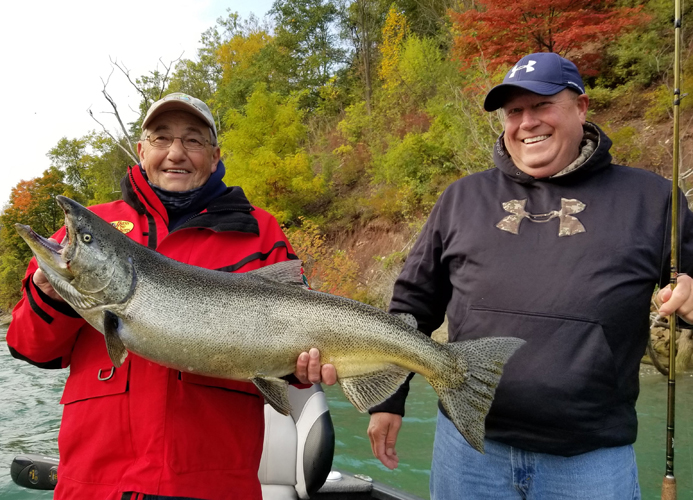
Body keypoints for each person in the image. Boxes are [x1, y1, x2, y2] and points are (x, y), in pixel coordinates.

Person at [306, 52, 693, 499]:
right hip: (468, 452)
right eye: (514, 111)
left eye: (543, 104)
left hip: (590, 460)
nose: (527, 122)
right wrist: (388, 399)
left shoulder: (652, 198)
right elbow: (412, 305)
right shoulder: (462, 197)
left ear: (581, 107)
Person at [7, 92, 333, 500]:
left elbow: (295, 351)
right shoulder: (94, 229)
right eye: (161, 138)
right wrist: (51, 297)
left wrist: (298, 370)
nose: (176, 153)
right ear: (141, 150)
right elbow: (28, 348)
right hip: (95, 484)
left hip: (214, 487)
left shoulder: (260, 232)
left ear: (215, 156)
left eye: (193, 140)